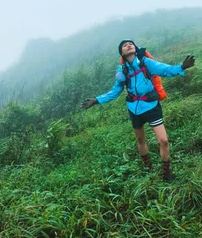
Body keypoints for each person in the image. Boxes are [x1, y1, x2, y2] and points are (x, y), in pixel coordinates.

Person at [81, 40, 195, 182]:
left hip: (151, 106)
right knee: (141, 139)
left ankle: (166, 175)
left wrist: (181, 67)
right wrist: (97, 100)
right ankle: (148, 168)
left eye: (131, 44)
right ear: (122, 53)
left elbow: (165, 70)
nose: (128, 45)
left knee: (164, 140)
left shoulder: (146, 63)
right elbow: (116, 91)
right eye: (124, 45)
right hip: (134, 109)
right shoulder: (122, 70)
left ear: (135, 48)